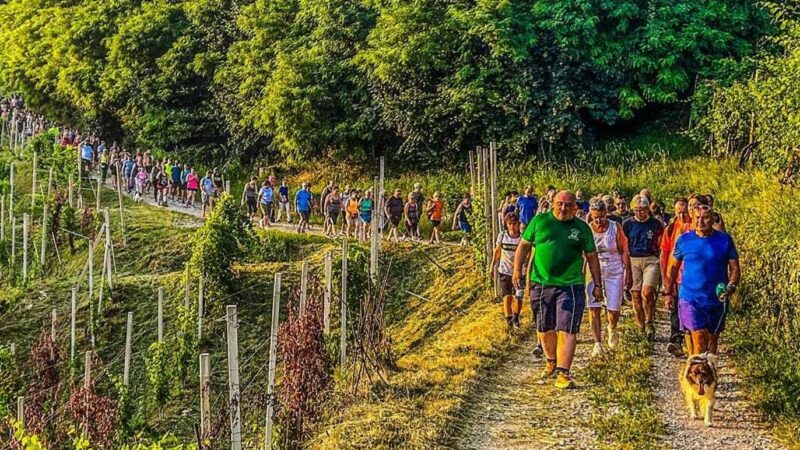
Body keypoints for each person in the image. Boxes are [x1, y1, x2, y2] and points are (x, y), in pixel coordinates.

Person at [512, 191, 603, 389]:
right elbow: (524, 247)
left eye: (568, 205)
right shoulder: (540, 222)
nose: (563, 208)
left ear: (576, 208)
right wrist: (517, 270)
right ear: (553, 204)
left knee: (568, 328)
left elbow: (592, 256)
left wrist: (597, 284)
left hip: (570, 284)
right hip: (541, 282)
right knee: (544, 327)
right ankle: (551, 361)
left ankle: (564, 372)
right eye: (560, 204)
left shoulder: (582, 229)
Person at [663, 204, 740, 355]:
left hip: (717, 299)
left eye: (705, 218)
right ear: (692, 219)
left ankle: (709, 373)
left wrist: (731, 286)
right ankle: (696, 374)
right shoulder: (684, 240)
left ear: (713, 219)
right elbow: (672, 267)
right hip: (690, 299)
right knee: (699, 337)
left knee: (712, 340)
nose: (701, 221)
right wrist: (668, 292)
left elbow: (735, 268)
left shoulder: (725, 240)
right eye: (697, 218)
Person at [585, 199, 632, 356]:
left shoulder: (615, 227)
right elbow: (583, 254)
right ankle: (597, 342)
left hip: (614, 268)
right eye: (596, 217)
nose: (599, 221)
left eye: (602, 216)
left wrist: (628, 271)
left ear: (607, 214)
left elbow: (623, 250)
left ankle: (612, 326)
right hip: (593, 270)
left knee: (614, 307)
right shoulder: (588, 230)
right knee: (594, 306)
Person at [622, 194, 664, 340]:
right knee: (636, 294)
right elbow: (625, 244)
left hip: (651, 259)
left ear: (647, 210)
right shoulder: (627, 224)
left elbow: (661, 244)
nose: (639, 213)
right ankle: (640, 326)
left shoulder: (655, 224)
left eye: (642, 210)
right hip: (633, 259)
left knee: (647, 292)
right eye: (636, 210)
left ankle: (649, 320)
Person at [660, 196, 691, 357]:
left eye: (684, 212)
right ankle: (676, 340)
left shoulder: (695, 226)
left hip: (691, 276)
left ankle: (690, 342)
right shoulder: (671, 229)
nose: (681, 216)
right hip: (676, 274)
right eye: (678, 212)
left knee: (688, 310)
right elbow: (664, 253)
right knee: (675, 308)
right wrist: (666, 280)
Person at [490, 212, 523, 332]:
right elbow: (497, 251)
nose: (512, 227)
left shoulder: (522, 237)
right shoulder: (502, 236)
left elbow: (528, 252)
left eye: (514, 224)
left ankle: (516, 317)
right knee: (507, 297)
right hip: (505, 271)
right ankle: (509, 321)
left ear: (518, 224)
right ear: (506, 224)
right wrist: (492, 266)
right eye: (510, 224)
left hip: (519, 272)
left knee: (518, 297)